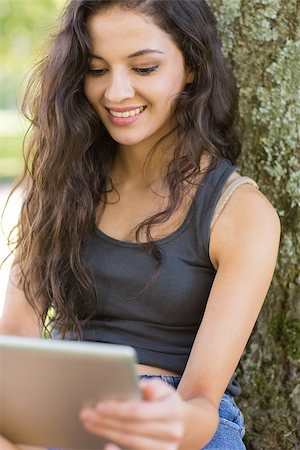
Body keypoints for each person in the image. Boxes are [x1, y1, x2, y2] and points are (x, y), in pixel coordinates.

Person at [0, 0, 281, 449]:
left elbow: (201, 403)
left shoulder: (241, 213)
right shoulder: (58, 182)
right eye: (96, 69)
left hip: (175, 421)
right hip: (62, 407)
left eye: (144, 68)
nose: (115, 93)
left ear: (191, 67)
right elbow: (13, 342)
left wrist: (159, 422)